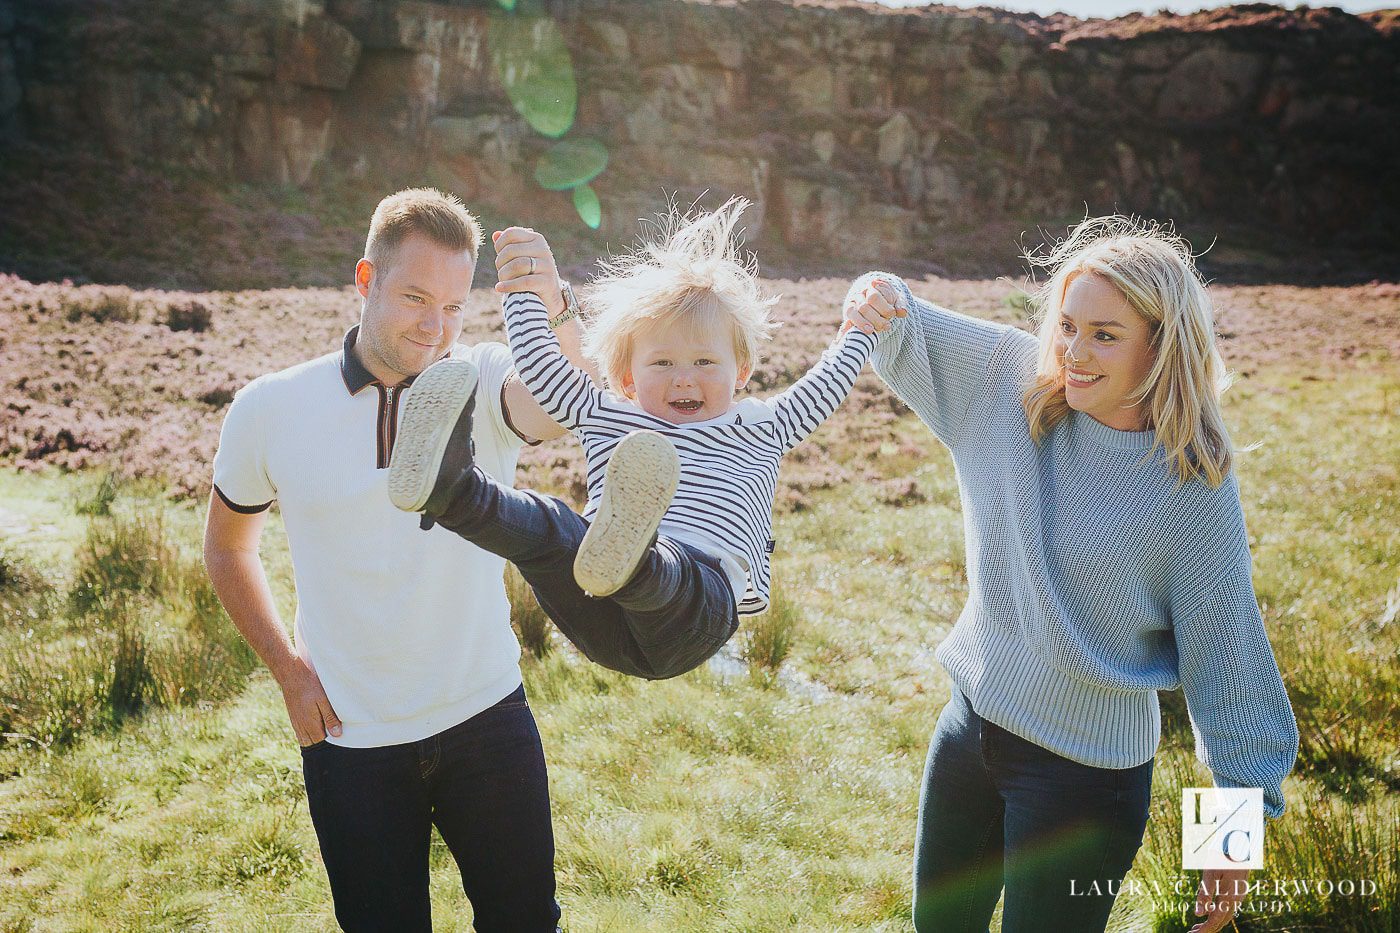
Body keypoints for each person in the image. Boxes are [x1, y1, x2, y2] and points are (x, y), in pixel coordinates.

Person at [843, 216, 1298, 933]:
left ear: (1161, 343)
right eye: (1067, 325)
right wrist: (876, 294)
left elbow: (1229, 668)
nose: (1074, 353)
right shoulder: (1008, 382)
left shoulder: (1193, 487)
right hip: (969, 731)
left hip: (1086, 780)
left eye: (1105, 334)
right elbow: (906, 321)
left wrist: (1231, 841)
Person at [203, 188, 585, 931]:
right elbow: (226, 544)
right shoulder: (270, 408)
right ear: (365, 280)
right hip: (353, 741)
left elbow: (566, 399)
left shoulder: (479, 380)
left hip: (488, 718)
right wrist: (286, 666)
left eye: (452, 307)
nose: (435, 327)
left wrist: (555, 304)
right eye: (415, 298)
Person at [386, 198, 877, 680]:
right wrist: (521, 292)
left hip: (691, 612)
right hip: (594, 613)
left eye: (705, 363)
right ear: (625, 379)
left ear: (741, 370)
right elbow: (542, 368)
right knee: (551, 528)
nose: (684, 379)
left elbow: (824, 387)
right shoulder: (609, 415)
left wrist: (862, 329)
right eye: (662, 363)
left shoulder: (760, 426)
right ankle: (449, 490)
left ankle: (634, 558)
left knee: (666, 568)